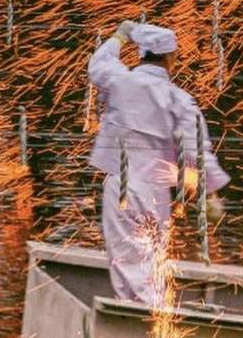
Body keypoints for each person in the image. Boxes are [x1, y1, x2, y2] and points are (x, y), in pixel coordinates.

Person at [88, 22, 230, 305]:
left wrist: (120, 36)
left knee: (126, 260)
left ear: (141, 54)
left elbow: (98, 62)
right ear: (171, 58)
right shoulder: (178, 99)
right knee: (153, 257)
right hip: (156, 190)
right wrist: (211, 191)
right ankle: (156, 321)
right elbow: (197, 150)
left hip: (120, 185)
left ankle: (142, 323)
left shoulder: (119, 80)